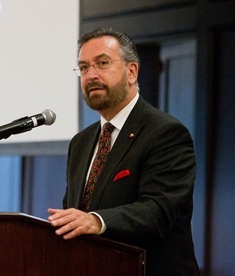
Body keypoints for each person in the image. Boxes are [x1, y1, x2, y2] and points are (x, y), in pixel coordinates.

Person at [48, 27, 199, 275]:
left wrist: (96, 220)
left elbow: (159, 210)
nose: (91, 75)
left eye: (102, 63)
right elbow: (75, 215)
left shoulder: (166, 132)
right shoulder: (81, 142)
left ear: (132, 72)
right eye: (84, 68)